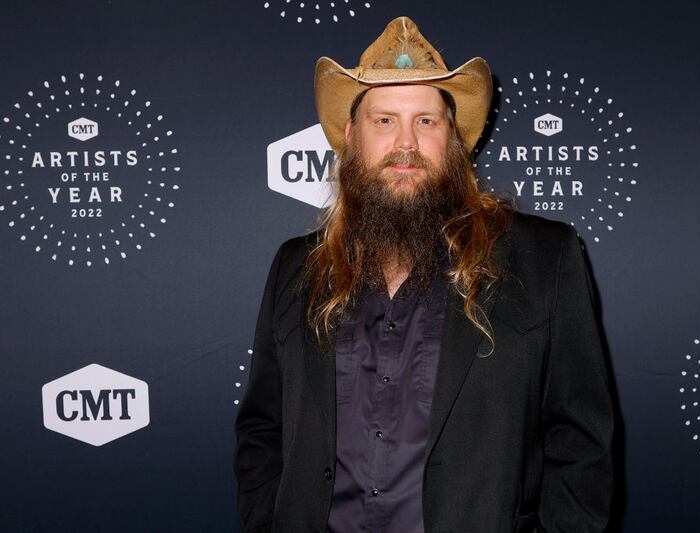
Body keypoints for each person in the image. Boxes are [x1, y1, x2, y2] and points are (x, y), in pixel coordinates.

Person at [234, 16, 614, 533]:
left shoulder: (545, 259)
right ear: (351, 136)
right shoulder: (297, 268)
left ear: (453, 141)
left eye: (427, 122)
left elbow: (582, 445)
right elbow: (263, 431)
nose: (406, 143)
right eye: (384, 120)